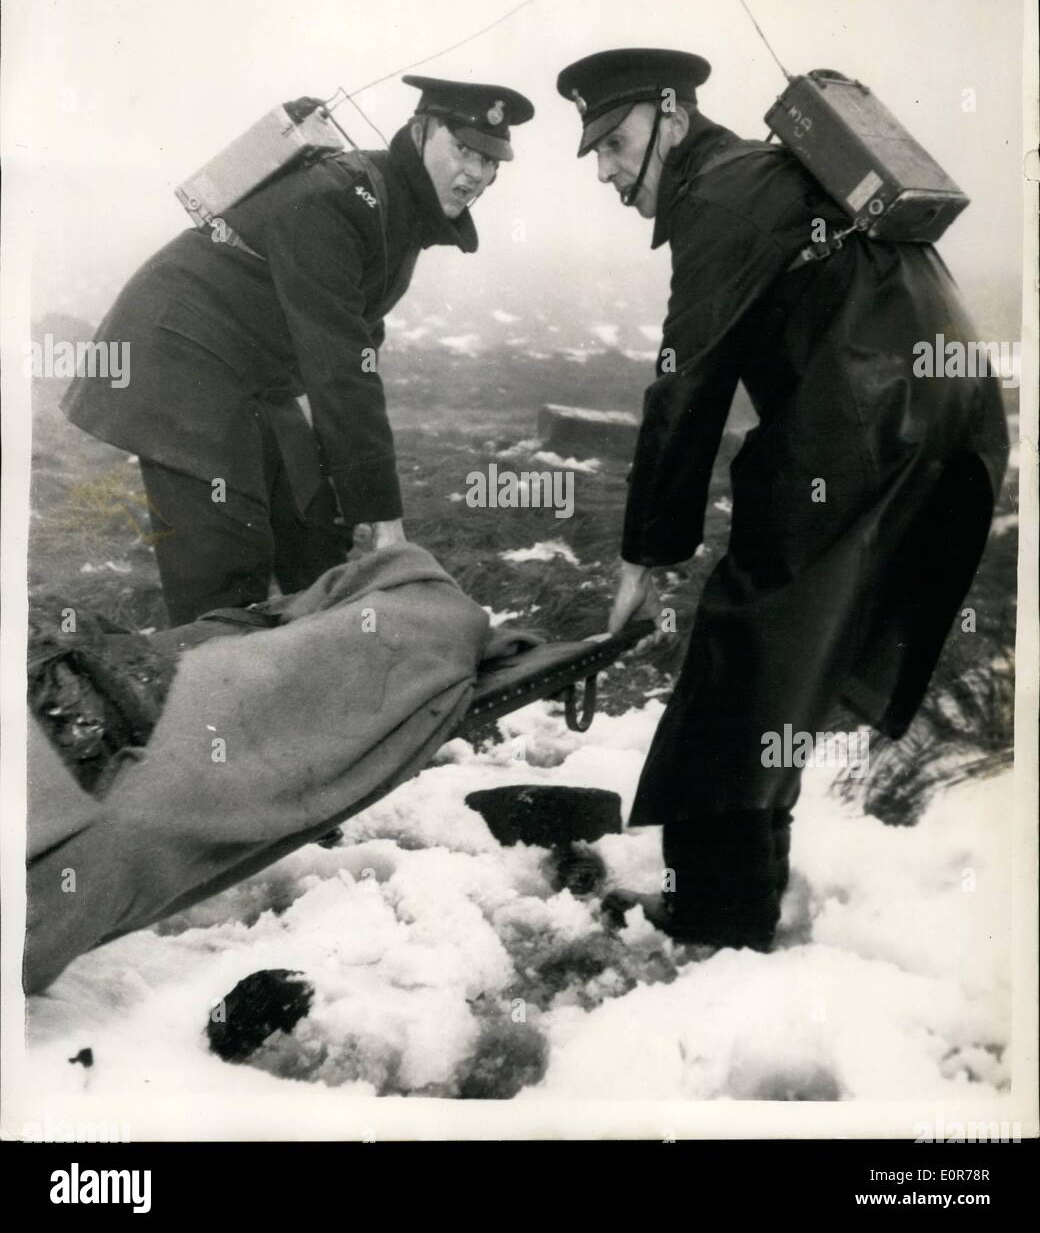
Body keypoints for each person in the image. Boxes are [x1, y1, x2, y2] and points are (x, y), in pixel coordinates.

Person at [556, 48, 1009, 951]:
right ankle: (737, 898)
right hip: (941, 420)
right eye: (596, 152)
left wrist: (646, 556)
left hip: (869, 427)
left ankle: (721, 923)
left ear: (672, 114)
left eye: (615, 143)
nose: (605, 170)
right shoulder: (765, 175)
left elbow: (685, 387)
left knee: (741, 662)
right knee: (776, 662)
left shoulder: (716, 203)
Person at [62, 77, 534, 623]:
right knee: (226, 563)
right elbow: (339, 366)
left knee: (316, 535)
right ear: (421, 131)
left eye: (491, 160)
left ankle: (315, 682)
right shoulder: (339, 197)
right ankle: (208, 693)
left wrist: (352, 488)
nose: (477, 173)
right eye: (464, 150)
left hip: (252, 374)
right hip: (179, 357)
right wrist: (383, 517)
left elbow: (356, 343)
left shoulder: (396, 209)